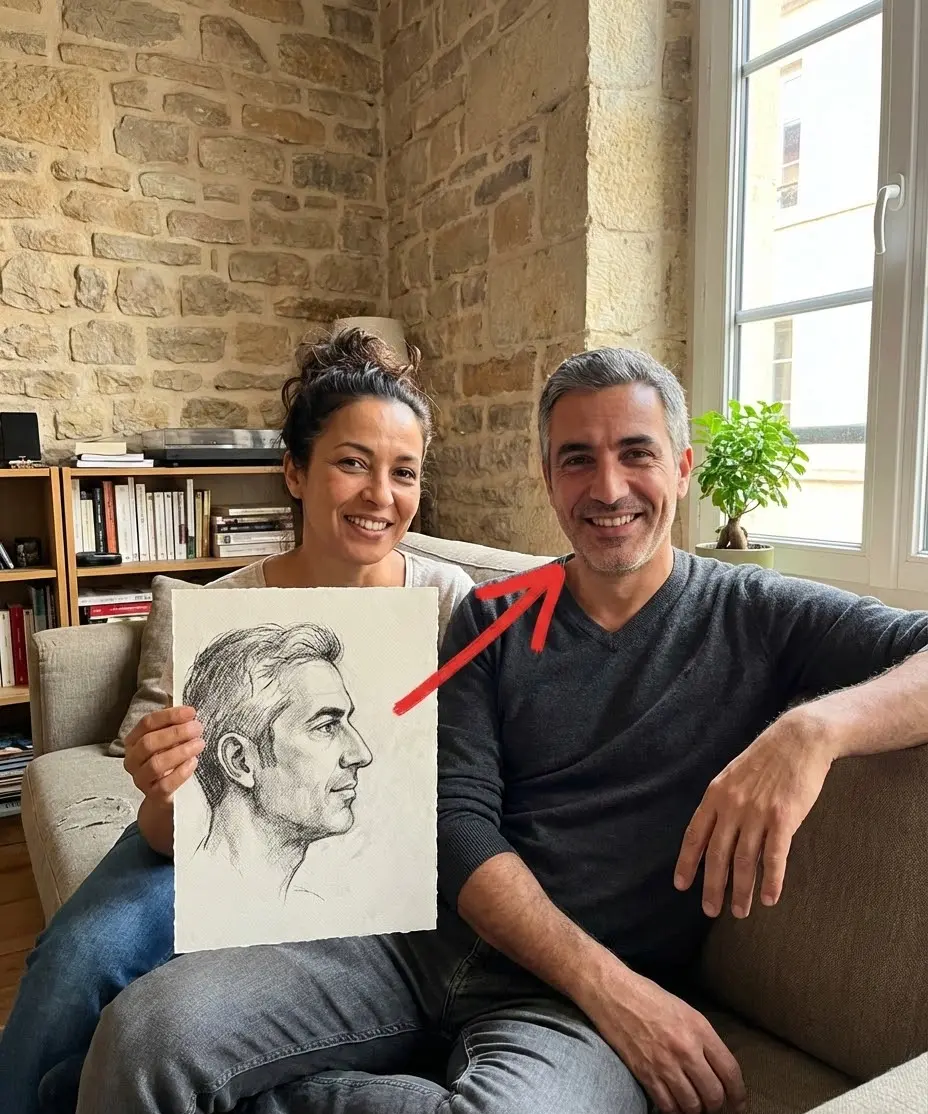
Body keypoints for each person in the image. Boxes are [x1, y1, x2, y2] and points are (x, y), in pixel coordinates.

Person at [69, 346, 928, 1114]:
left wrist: (815, 729)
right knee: (146, 1036)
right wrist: (612, 987)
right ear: (549, 478)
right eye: (577, 459)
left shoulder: (760, 613)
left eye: (637, 453)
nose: (608, 488)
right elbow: (455, 819)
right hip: (406, 944)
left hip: (567, 1011)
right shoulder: (494, 614)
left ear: (683, 467)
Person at [0, 328, 474, 1114]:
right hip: (211, 848)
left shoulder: (452, 603)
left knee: (125, 1046)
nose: (380, 495)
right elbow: (172, 833)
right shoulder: (227, 611)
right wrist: (160, 786)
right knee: (79, 955)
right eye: (352, 463)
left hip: (374, 874)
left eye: (404, 472)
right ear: (295, 471)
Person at [183, 622, 371, 900]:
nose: (362, 754)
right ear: (240, 760)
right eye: (326, 726)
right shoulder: (191, 903)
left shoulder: (310, 907)